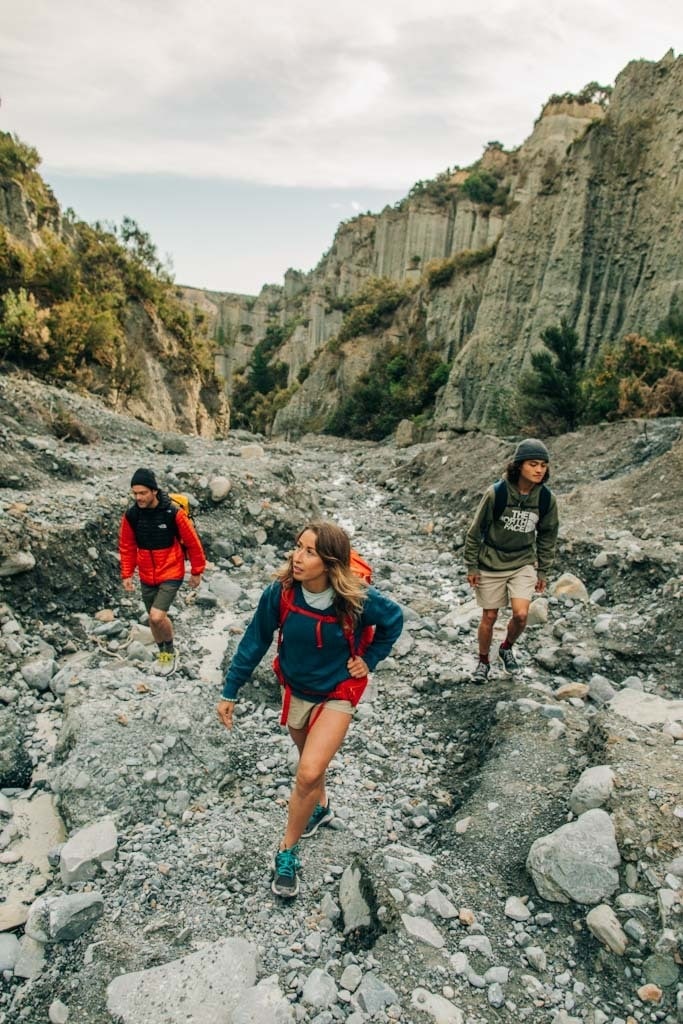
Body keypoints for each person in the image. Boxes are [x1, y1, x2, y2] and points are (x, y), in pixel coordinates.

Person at [216, 520, 403, 899]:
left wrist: (368, 659)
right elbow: (255, 640)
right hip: (296, 689)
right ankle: (320, 808)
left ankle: (286, 852)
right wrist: (230, 690)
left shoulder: (355, 598)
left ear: (331, 562)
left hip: (338, 691)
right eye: (297, 547)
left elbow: (393, 621)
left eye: (309, 551)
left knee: (309, 771)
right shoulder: (281, 594)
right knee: (308, 764)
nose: (296, 557)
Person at [464, 438, 559, 683]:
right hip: (491, 560)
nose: (539, 470)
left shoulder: (546, 499)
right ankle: (483, 662)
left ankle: (506, 648)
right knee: (490, 617)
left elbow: (548, 535)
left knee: (520, 615)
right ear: (519, 466)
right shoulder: (497, 493)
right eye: (533, 464)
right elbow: (476, 530)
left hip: (523, 561)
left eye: (543, 465)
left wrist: (543, 571)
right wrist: (472, 565)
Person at [119, 468, 205, 676]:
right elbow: (127, 546)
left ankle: (171, 654)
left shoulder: (173, 513)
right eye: (135, 493)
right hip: (147, 575)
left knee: (157, 617)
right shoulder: (132, 516)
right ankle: (164, 655)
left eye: (142, 493)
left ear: (154, 491)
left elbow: (193, 543)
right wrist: (127, 574)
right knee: (152, 618)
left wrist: (196, 570)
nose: (138, 497)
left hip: (171, 571)